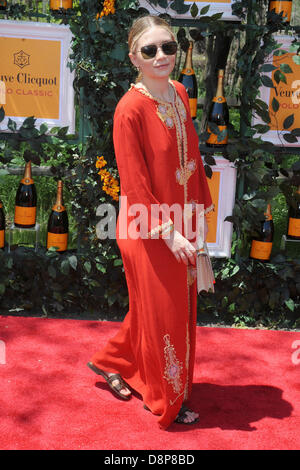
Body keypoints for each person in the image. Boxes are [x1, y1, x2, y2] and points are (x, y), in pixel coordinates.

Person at [88, 14, 214, 429]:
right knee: (165, 313)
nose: (161, 56)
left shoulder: (178, 92)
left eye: (168, 47)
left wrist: (196, 220)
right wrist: (169, 231)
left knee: (155, 310)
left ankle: (111, 361)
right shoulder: (129, 111)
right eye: (150, 50)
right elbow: (135, 183)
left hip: (180, 222)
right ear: (134, 58)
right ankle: (164, 399)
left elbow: (191, 159)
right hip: (147, 227)